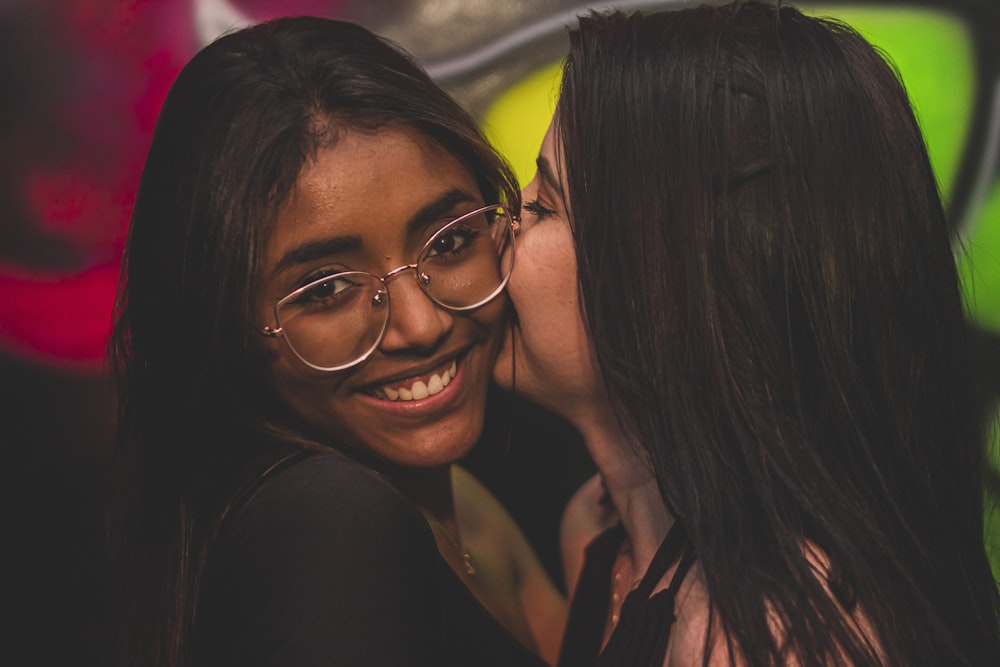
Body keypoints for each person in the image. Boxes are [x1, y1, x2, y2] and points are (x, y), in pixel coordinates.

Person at [494, 2, 1000, 665]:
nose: (505, 225)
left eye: (545, 204)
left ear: (664, 287)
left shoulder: (777, 635)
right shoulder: (599, 529)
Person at [104, 15, 566, 667]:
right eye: (325, 289)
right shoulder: (331, 521)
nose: (421, 324)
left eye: (450, 241)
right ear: (224, 326)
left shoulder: (463, 500)